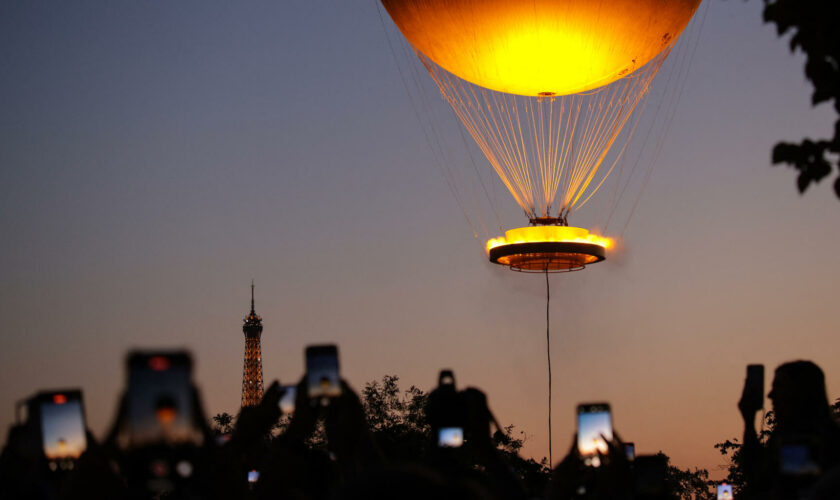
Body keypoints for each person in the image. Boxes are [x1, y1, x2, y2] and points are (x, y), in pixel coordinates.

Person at [738, 360, 840, 499]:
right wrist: (749, 422)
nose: (771, 395)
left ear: (799, 391)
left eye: (779, 387)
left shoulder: (807, 437)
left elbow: (785, 489)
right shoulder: (787, 433)